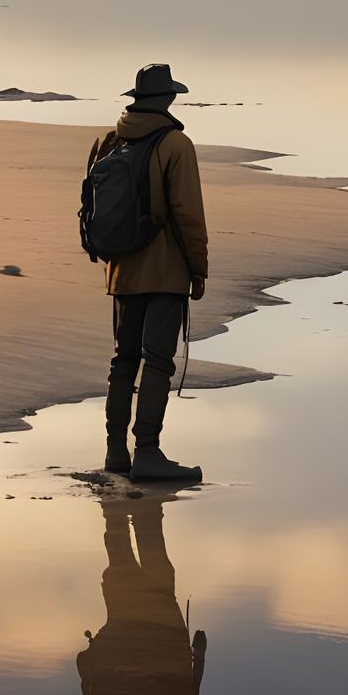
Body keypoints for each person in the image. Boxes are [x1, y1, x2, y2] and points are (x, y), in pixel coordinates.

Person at [88, 63, 209, 482]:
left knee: (123, 360)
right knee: (157, 362)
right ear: (169, 99)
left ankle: (115, 452)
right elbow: (188, 216)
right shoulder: (176, 144)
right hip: (165, 270)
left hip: (121, 270)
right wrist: (199, 270)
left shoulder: (110, 140)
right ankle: (148, 453)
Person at [77, 494, 205, 695]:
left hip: (162, 641)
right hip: (131, 642)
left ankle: (131, 493)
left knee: (153, 563)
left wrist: (199, 656)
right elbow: (86, 676)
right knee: (123, 556)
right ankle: (119, 496)